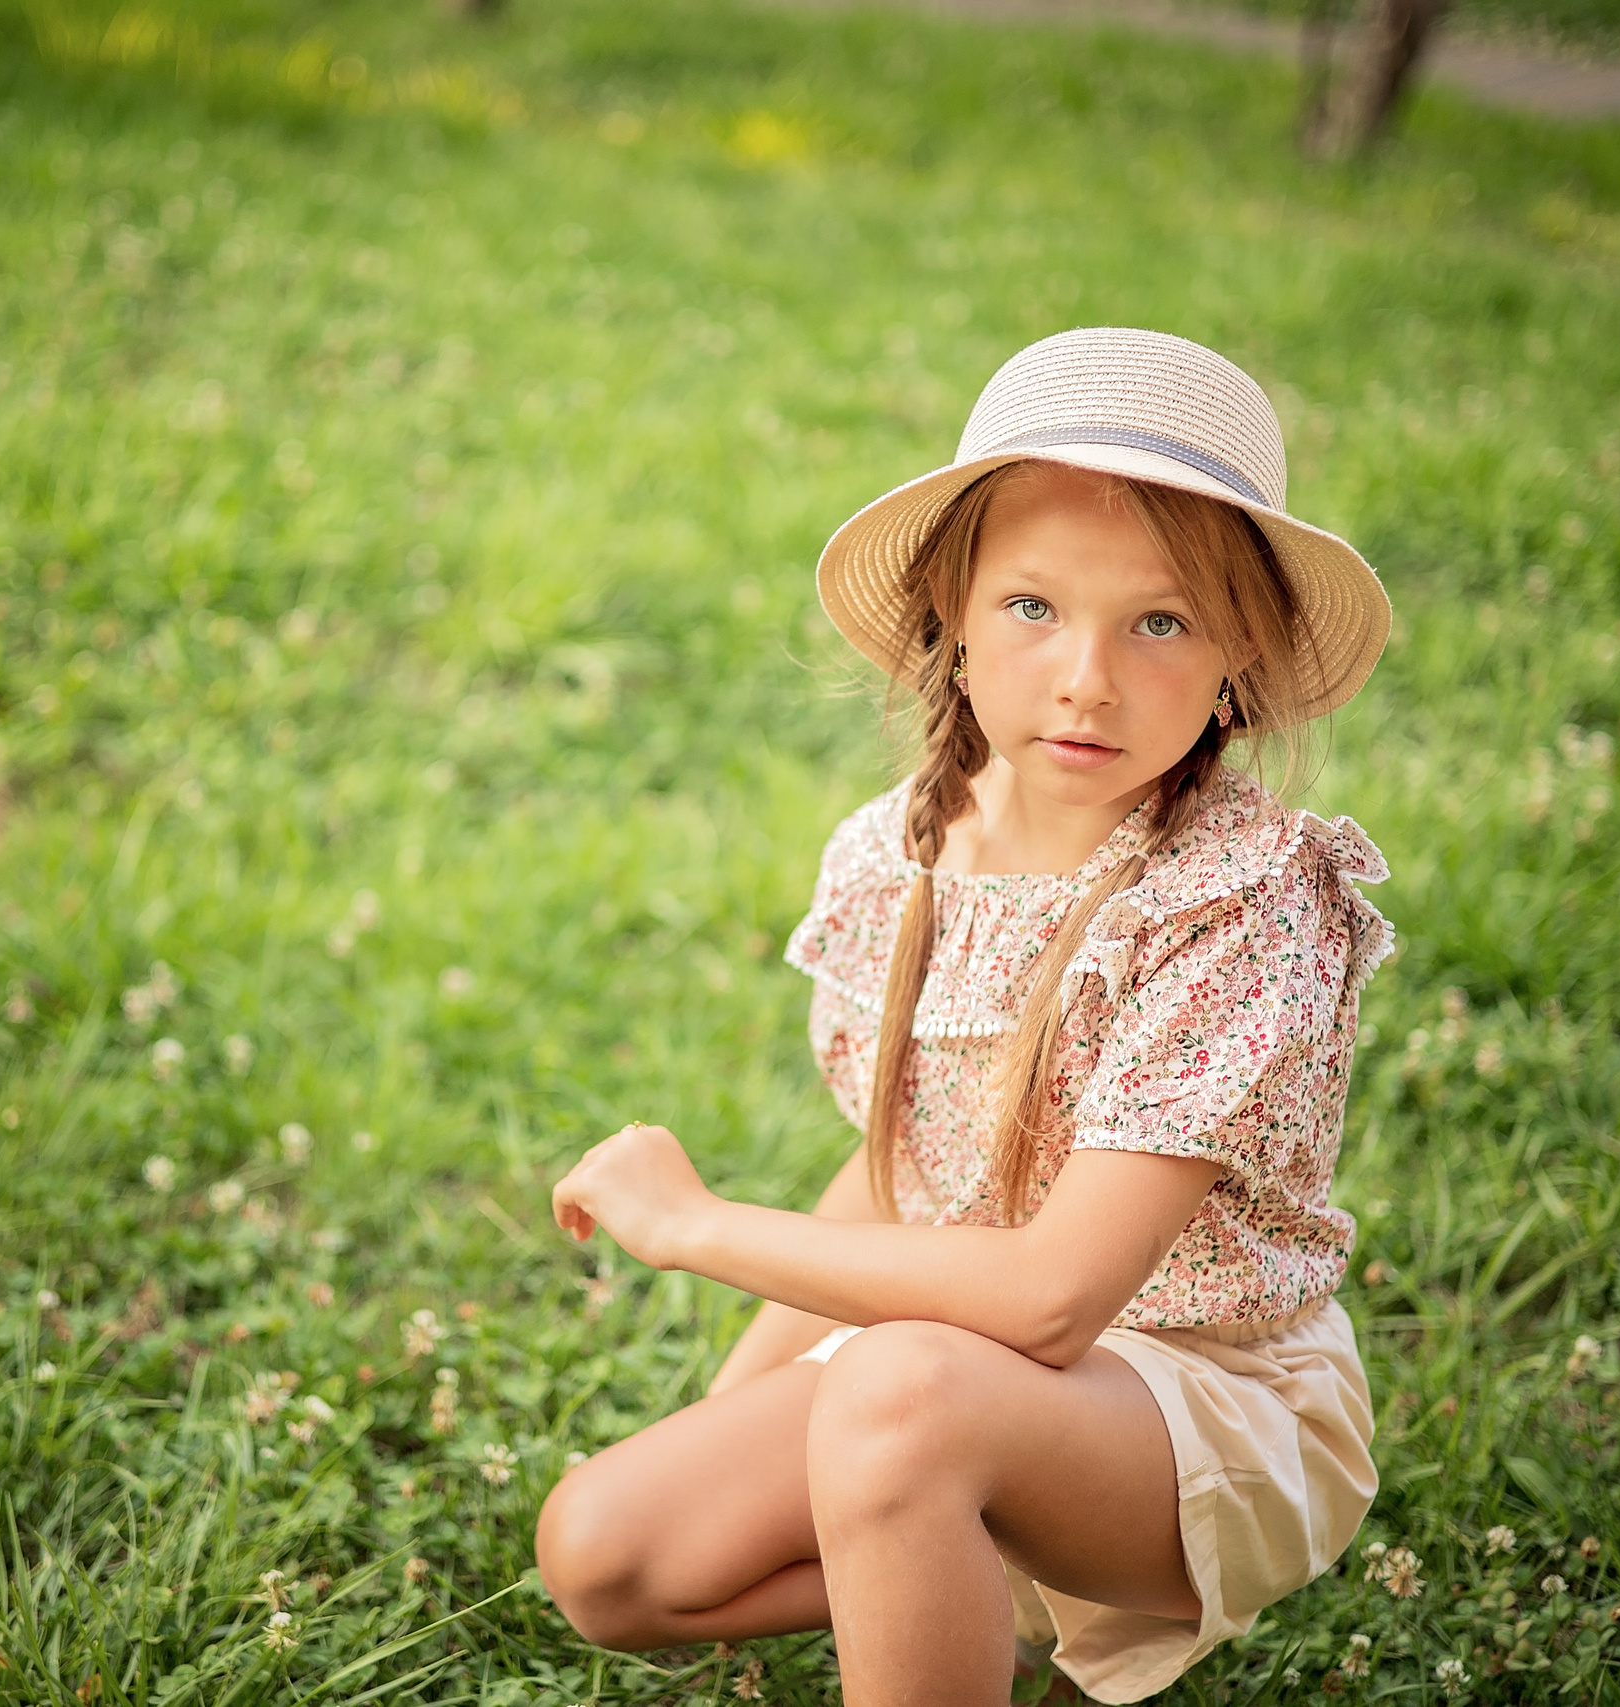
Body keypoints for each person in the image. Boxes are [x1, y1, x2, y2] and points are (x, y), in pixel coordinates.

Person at [534, 328, 1398, 1705]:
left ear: (1242, 654)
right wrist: (728, 1436)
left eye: (1160, 622)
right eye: (1035, 608)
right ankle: (934, 1565)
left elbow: (1056, 1303)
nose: (1087, 680)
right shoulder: (898, 858)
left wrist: (698, 1229)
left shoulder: (1243, 904)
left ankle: (927, 1513)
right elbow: (898, 1182)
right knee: (609, 1550)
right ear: (951, 608)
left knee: (897, 1398)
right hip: (952, 1360)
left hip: (1200, 1402)